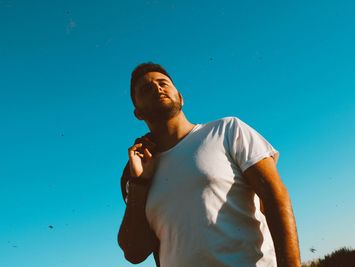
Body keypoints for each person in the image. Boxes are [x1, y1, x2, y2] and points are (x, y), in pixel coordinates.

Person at [118, 62, 301, 267]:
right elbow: (134, 252)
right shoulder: (139, 171)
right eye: (146, 89)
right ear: (138, 113)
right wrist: (139, 183)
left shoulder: (227, 130)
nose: (157, 88)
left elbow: (275, 196)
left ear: (181, 97)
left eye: (163, 83)